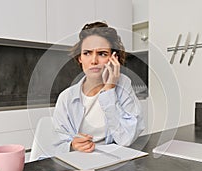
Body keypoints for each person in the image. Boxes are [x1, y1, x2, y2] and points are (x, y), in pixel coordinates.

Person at [52, 21, 145, 153]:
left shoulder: (123, 85)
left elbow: (126, 139)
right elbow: (56, 144)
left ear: (114, 58)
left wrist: (109, 89)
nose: (93, 60)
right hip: (80, 161)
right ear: (80, 58)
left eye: (101, 54)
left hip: (112, 159)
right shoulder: (66, 97)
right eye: (87, 53)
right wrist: (72, 145)